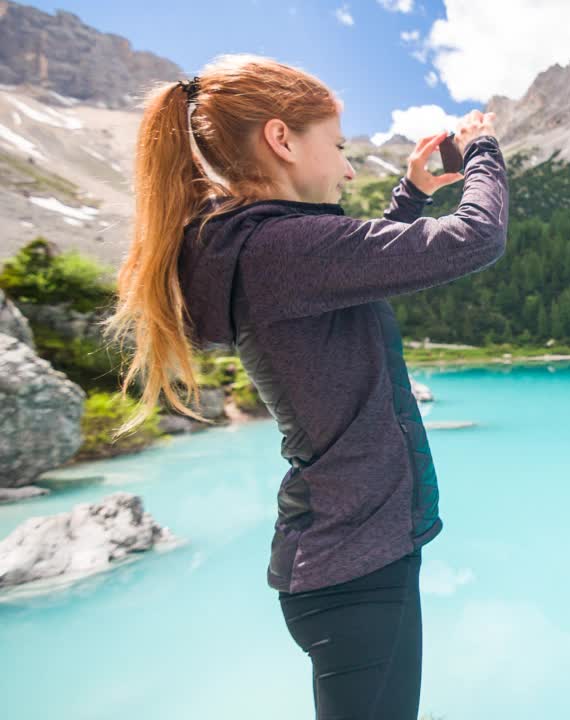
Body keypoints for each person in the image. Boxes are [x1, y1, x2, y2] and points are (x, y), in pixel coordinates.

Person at [99, 53, 509, 719]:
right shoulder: (277, 250)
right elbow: (477, 238)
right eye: (340, 147)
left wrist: (411, 195)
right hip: (354, 567)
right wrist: (485, 147)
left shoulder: (256, 247)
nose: (349, 168)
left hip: (347, 557)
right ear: (281, 139)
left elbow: (350, 265)